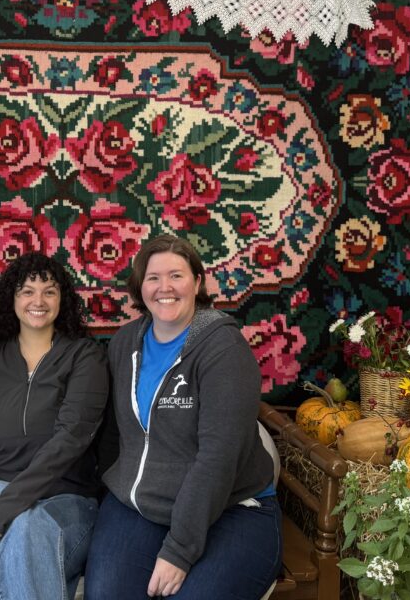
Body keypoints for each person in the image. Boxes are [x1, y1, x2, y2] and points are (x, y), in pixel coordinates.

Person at [84, 235, 281, 600]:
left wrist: (179, 550)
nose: (165, 288)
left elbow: (218, 459)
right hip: (141, 506)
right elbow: (115, 431)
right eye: (153, 277)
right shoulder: (125, 343)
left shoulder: (223, 349)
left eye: (176, 275)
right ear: (140, 287)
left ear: (197, 282)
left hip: (232, 509)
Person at [0, 252, 109, 600]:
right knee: (25, 526)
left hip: (69, 497)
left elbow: (72, 437)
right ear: (11, 300)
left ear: (63, 299)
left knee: (26, 526)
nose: (38, 301)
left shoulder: (85, 356)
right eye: (27, 291)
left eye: (49, 291)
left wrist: (10, 505)